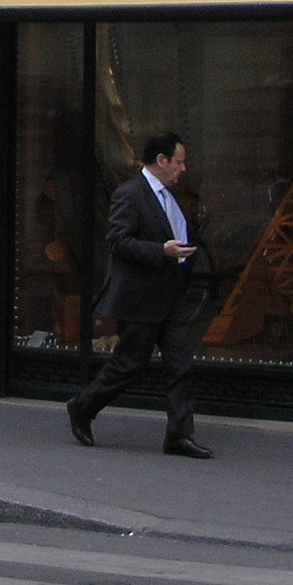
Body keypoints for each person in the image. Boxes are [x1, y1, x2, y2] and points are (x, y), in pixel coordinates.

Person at [65, 130, 213, 459]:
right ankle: (82, 407)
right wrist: (161, 250)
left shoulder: (170, 196)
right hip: (140, 297)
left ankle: (179, 436)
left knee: (181, 366)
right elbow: (118, 241)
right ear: (160, 161)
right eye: (179, 162)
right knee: (129, 364)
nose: (183, 169)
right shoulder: (130, 194)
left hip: (171, 295)